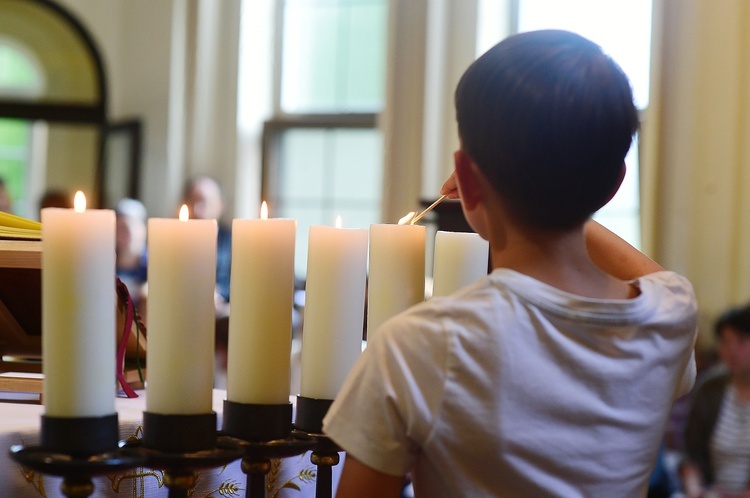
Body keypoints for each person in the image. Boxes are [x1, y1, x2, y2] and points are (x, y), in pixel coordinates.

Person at [322, 30, 698, 497]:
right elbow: (655, 277)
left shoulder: (422, 344)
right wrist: (577, 202)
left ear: (466, 180)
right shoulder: (670, 316)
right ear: (615, 184)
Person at [680, 305, 750, 497]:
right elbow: (690, 454)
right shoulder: (710, 388)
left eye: (741, 341)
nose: (731, 350)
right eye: (725, 342)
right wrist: (695, 488)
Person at [182, 174, 232, 318]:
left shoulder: (234, 241)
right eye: (193, 201)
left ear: (221, 204)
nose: (198, 209)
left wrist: (217, 295)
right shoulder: (171, 242)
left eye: (205, 202)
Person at [114, 198, 149, 312]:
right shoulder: (104, 265)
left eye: (133, 224)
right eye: (120, 226)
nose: (127, 230)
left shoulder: (155, 267)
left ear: (144, 228)